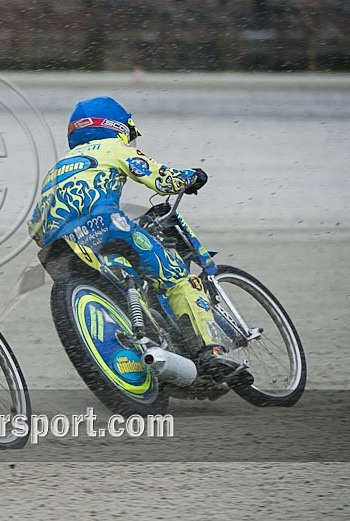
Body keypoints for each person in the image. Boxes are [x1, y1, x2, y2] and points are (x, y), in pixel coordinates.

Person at [28, 95, 250, 385]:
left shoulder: (56, 169)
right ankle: (210, 352)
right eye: (130, 134)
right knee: (178, 279)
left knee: (128, 278)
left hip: (60, 245)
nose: (130, 141)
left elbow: (35, 224)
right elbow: (161, 179)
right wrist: (192, 177)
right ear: (118, 126)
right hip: (108, 226)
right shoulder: (111, 147)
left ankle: (144, 336)